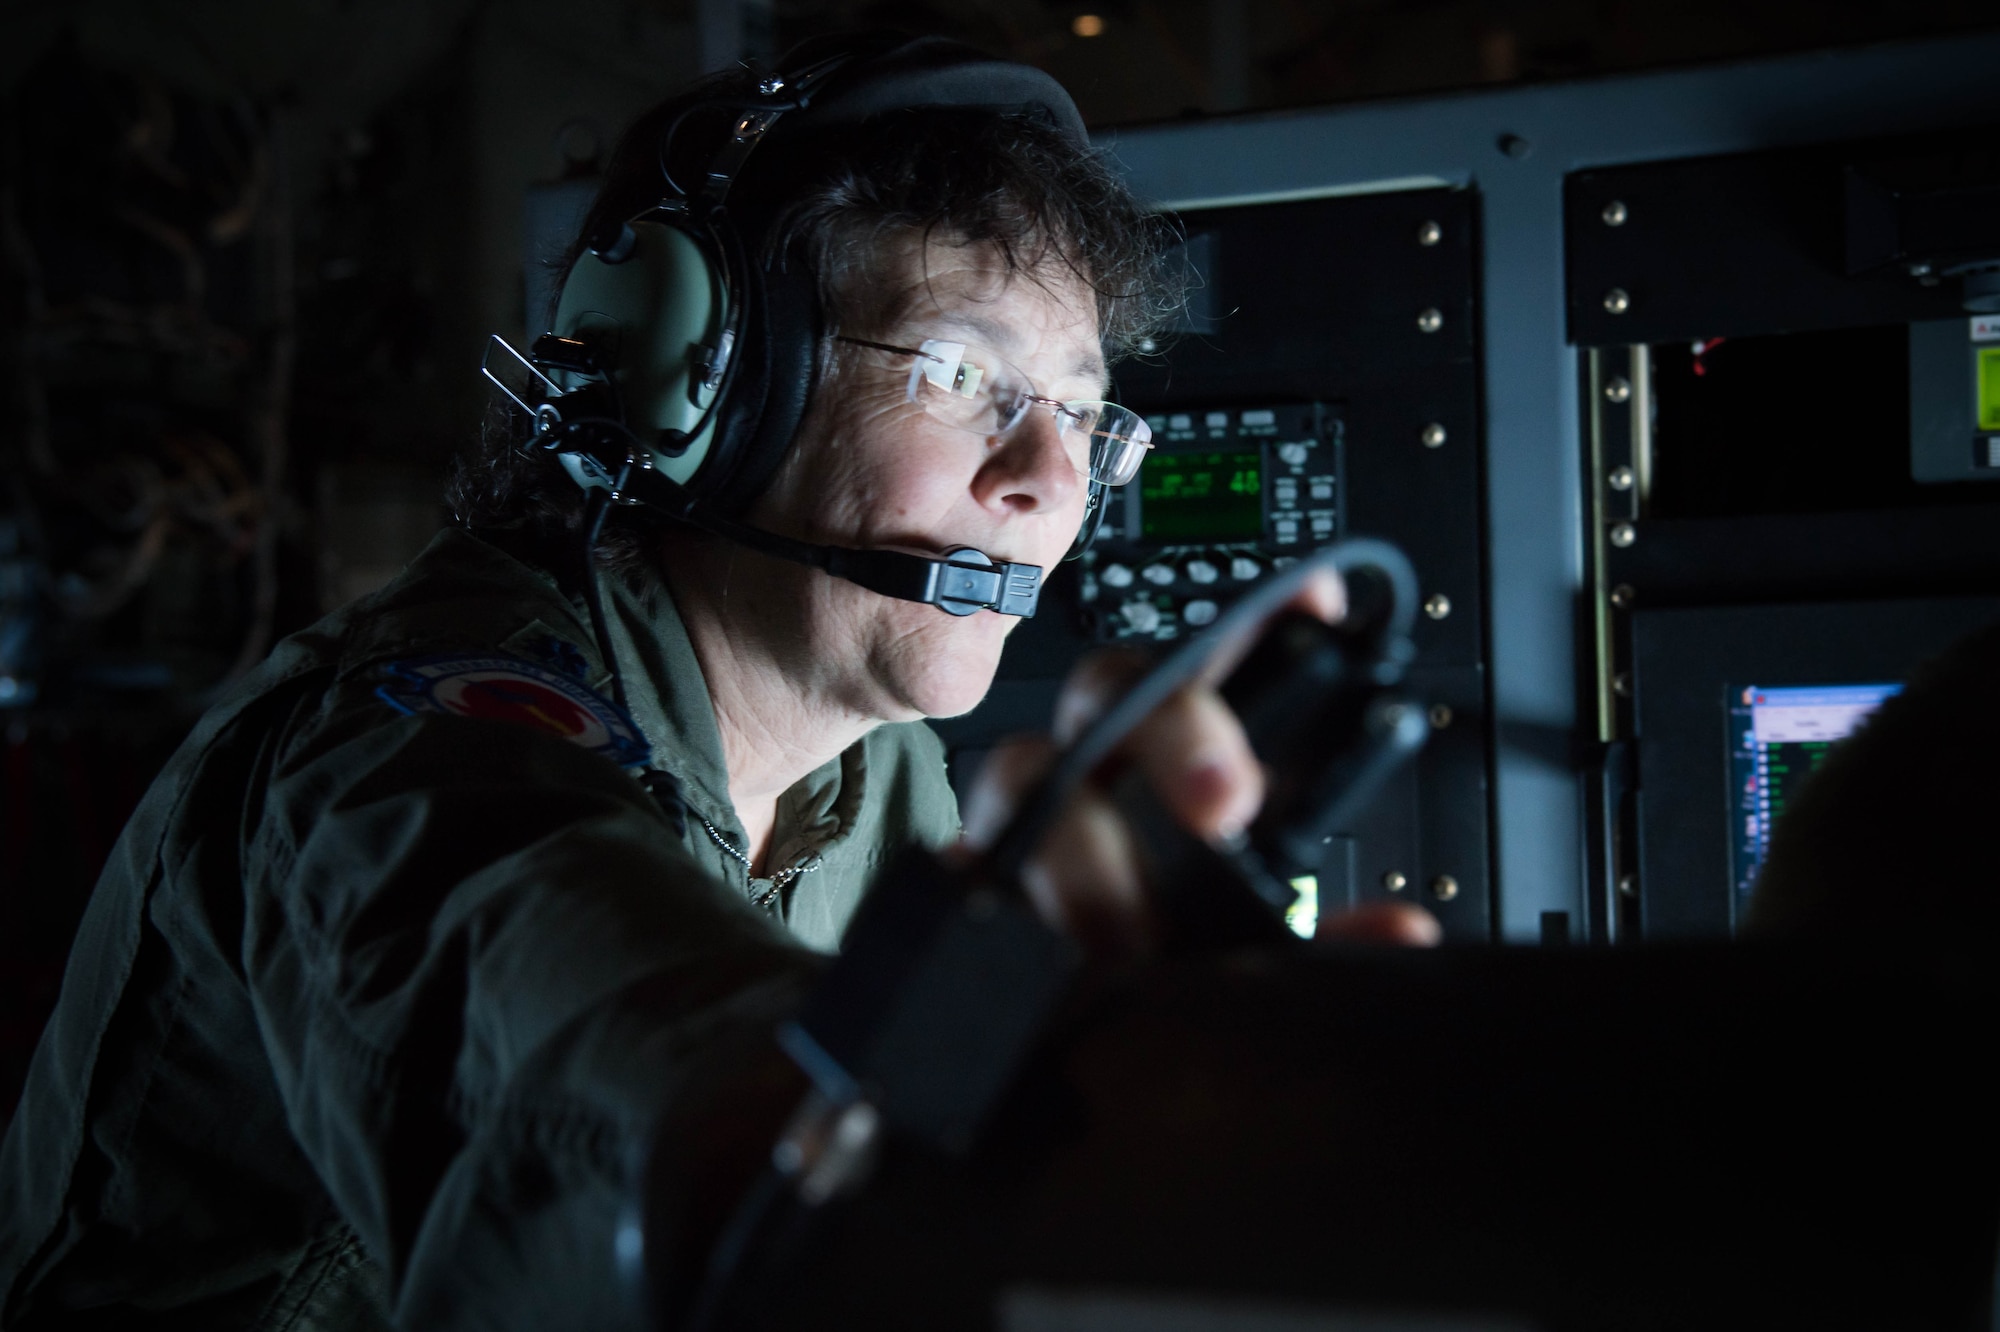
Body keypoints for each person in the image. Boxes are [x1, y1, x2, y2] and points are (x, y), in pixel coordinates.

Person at [0, 35, 1431, 1332]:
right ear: (697, 384)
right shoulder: (393, 750)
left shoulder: (880, 778)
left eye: (1081, 408)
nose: (1052, 483)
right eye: (953, 371)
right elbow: (610, 1079)